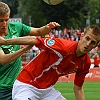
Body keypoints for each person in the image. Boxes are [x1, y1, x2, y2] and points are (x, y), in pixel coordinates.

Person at [2, 25, 100, 100]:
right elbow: (34, 40)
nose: (88, 44)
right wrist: (5, 42)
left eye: (93, 42)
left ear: (96, 45)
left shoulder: (85, 63)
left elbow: (78, 88)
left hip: (47, 91)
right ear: (82, 36)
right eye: (87, 38)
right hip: (26, 84)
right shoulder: (63, 47)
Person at [0, 1, 60, 100]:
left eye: (7, 20)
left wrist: (47, 27)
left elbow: (38, 31)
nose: (4, 24)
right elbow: (4, 60)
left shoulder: (16, 27)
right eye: (1, 21)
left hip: (18, 85)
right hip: (2, 88)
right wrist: (26, 49)